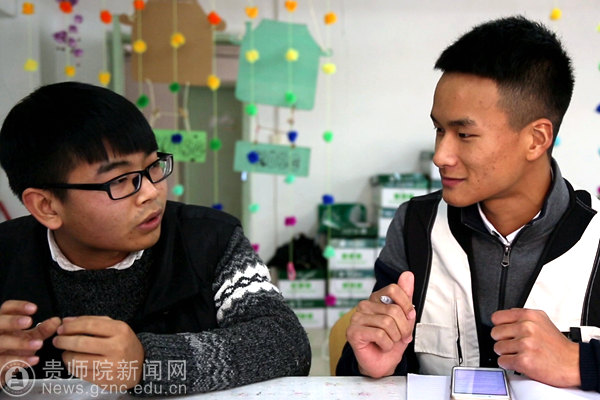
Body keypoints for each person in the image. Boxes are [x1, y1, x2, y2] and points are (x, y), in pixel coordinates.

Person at [337, 15, 600, 392]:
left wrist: (580, 361)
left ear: (536, 139)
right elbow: (369, 368)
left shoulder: (595, 241)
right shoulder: (416, 226)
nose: (440, 155)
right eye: (439, 129)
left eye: (464, 134)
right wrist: (370, 363)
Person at [0, 82, 311, 396]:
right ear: (47, 206)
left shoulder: (211, 240)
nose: (151, 192)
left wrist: (147, 363)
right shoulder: (6, 253)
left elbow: (287, 343)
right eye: (120, 180)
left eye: (153, 166)